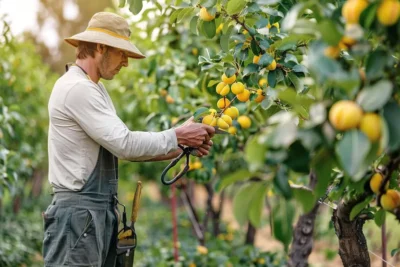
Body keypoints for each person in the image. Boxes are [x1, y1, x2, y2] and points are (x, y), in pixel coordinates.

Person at [42, 11, 215, 267]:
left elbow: (124, 146)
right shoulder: (77, 89)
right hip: (79, 218)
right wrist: (178, 134)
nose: (125, 62)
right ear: (101, 47)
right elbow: (125, 144)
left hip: (94, 215)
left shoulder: (95, 89)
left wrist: (182, 144)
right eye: (121, 53)